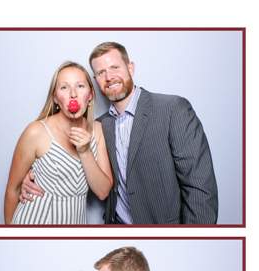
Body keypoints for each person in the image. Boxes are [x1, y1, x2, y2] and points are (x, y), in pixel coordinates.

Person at [21, 43, 218, 225]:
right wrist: (33, 177)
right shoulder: (99, 127)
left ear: (130, 68)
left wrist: (193, 237)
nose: (109, 77)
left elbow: (200, 188)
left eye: (115, 67)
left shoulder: (172, 109)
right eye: (101, 72)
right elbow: (77, 171)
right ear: (96, 82)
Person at [5, 62, 112, 225]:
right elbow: (12, 190)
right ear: (55, 98)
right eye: (64, 87)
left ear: (90, 94)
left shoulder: (98, 130)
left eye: (80, 86)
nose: (73, 94)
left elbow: (103, 191)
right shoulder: (36, 131)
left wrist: (85, 152)